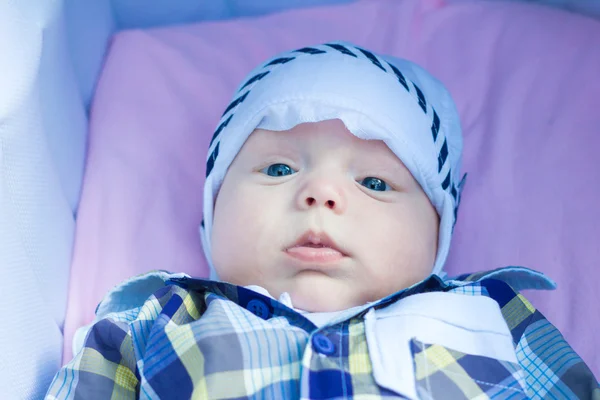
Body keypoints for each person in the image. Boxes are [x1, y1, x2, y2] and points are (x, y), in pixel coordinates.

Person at [45, 42, 599, 399]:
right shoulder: (152, 323)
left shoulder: (488, 317)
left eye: (375, 183)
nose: (321, 194)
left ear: (439, 234)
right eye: (279, 167)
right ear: (211, 215)